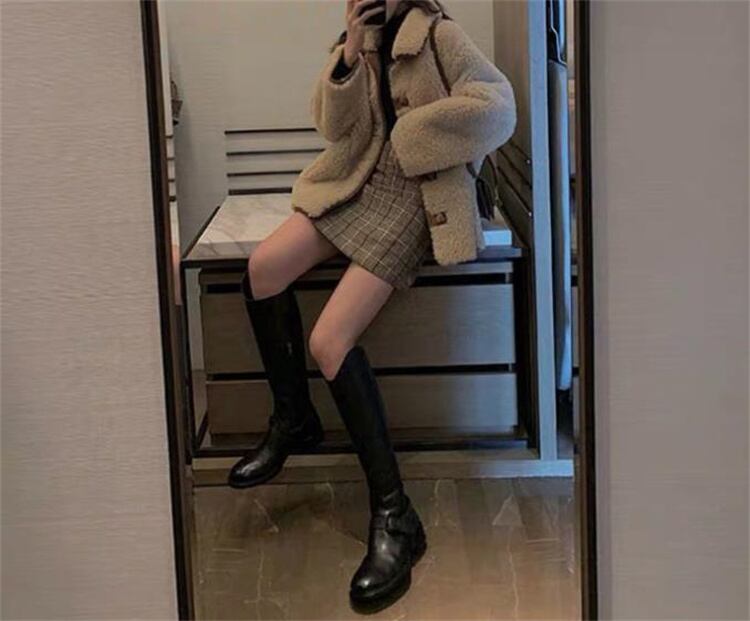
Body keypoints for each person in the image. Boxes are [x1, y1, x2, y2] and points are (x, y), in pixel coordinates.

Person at [227, 0, 517, 609]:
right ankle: (293, 419)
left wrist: (417, 134)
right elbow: (334, 128)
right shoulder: (361, 38)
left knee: (328, 341)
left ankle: (396, 516)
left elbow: (498, 106)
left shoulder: (440, 34)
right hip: (359, 182)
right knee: (262, 268)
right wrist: (350, 53)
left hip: (415, 200)